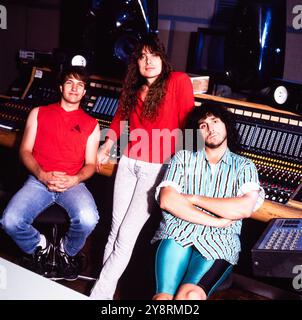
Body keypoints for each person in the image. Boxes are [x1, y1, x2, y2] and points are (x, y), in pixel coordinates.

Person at [90, 35, 195, 299]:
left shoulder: (178, 81)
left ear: (163, 58)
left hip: (156, 167)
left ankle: (97, 295)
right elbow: (120, 119)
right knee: (114, 229)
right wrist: (106, 146)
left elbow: (188, 122)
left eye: (153, 55)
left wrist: (185, 165)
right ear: (136, 63)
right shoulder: (134, 87)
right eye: (142, 57)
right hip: (128, 162)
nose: (148, 62)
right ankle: (106, 291)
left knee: (126, 234)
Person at [152, 102, 265, 300]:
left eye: (215, 121)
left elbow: (244, 207)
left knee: (190, 297)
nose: (211, 128)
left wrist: (194, 198)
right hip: (178, 233)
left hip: (219, 241)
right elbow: (167, 200)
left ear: (226, 125)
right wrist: (217, 220)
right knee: (163, 299)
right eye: (203, 125)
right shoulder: (183, 158)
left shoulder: (244, 166)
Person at [1, 66, 100, 280]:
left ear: (84, 93)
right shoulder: (38, 113)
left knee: (89, 218)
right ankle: (41, 246)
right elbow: (25, 151)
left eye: (80, 85)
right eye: (69, 83)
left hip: (73, 183)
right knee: (10, 220)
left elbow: (91, 164)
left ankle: (66, 250)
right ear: (60, 87)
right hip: (38, 180)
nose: (74, 88)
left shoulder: (92, 124)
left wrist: (75, 179)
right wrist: (42, 174)